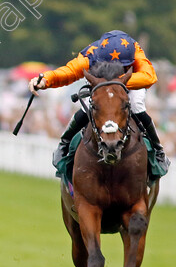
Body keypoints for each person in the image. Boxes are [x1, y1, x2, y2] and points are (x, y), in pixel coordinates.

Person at [29, 30, 168, 171]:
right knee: (88, 108)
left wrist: (116, 83)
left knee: (137, 105)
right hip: (101, 85)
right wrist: (45, 80)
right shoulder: (91, 55)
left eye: (122, 65)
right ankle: (64, 144)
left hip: (128, 83)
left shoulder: (134, 49)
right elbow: (67, 72)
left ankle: (158, 150)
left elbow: (150, 77)